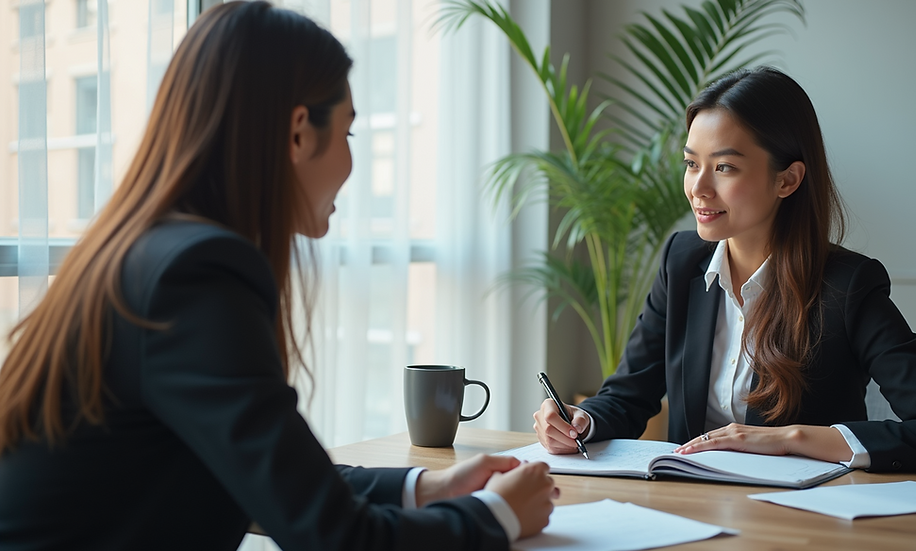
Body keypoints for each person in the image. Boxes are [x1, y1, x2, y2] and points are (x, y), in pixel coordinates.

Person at [0, 2, 555, 549]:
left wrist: (430, 486)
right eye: (348, 134)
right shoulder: (197, 277)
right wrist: (497, 516)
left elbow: (272, 478)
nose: (350, 162)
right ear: (297, 133)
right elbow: (332, 536)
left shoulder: (148, 250)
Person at [533, 66, 916, 473]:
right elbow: (629, 394)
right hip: (687, 512)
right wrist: (580, 421)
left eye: (724, 167)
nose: (698, 188)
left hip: (799, 524)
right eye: (692, 164)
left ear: (787, 179)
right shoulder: (681, 260)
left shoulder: (848, 286)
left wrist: (793, 439)